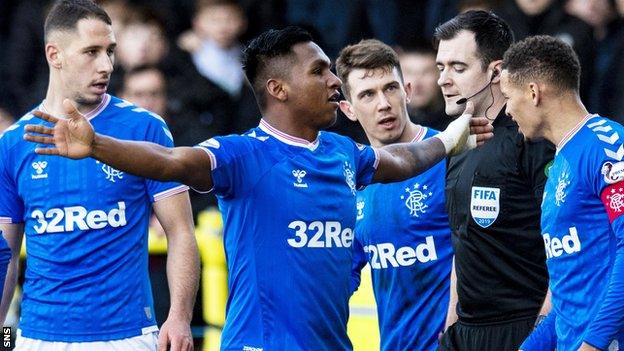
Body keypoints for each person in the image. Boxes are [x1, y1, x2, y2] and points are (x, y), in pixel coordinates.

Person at [23, 26, 493, 350]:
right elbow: (172, 160)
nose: (335, 83)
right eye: (320, 71)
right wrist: (99, 144)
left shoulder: (340, 152)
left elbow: (400, 159)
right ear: (278, 88)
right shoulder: (243, 156)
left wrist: (451, 139)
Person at [0, 1, 199, 350]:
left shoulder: (145, 128)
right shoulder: (14, 142)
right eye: (91, 52)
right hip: (39, 338)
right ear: (54, 54)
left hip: (129, 336)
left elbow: (181, 231)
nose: (106, 65)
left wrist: (180, 317)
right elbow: (5, 254)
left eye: (110, 51)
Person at [434, 10, 554, 351]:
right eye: (440, 67)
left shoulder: (531, 138)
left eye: (458, 68)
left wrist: (543, 330)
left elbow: (565, 239)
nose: (443, 79)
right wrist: (452, 323)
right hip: (465, 333)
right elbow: (463, 238)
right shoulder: (457, 141)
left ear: (496, 71)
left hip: (521, 327)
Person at [500, 35, 624, 351]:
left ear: (533, 92)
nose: (506, 111)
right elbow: (571, 294)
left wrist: (594, 343)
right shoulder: (560, 163)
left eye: (507, 96)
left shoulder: (606, 145)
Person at [336, 39, 453, 350]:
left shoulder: (451, 156)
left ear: (408, 91)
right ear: (348, 109)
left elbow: (478, 256)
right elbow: (341, 278)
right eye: (367, 94)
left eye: (390, 88)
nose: (383, 103)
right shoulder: (351, 181)